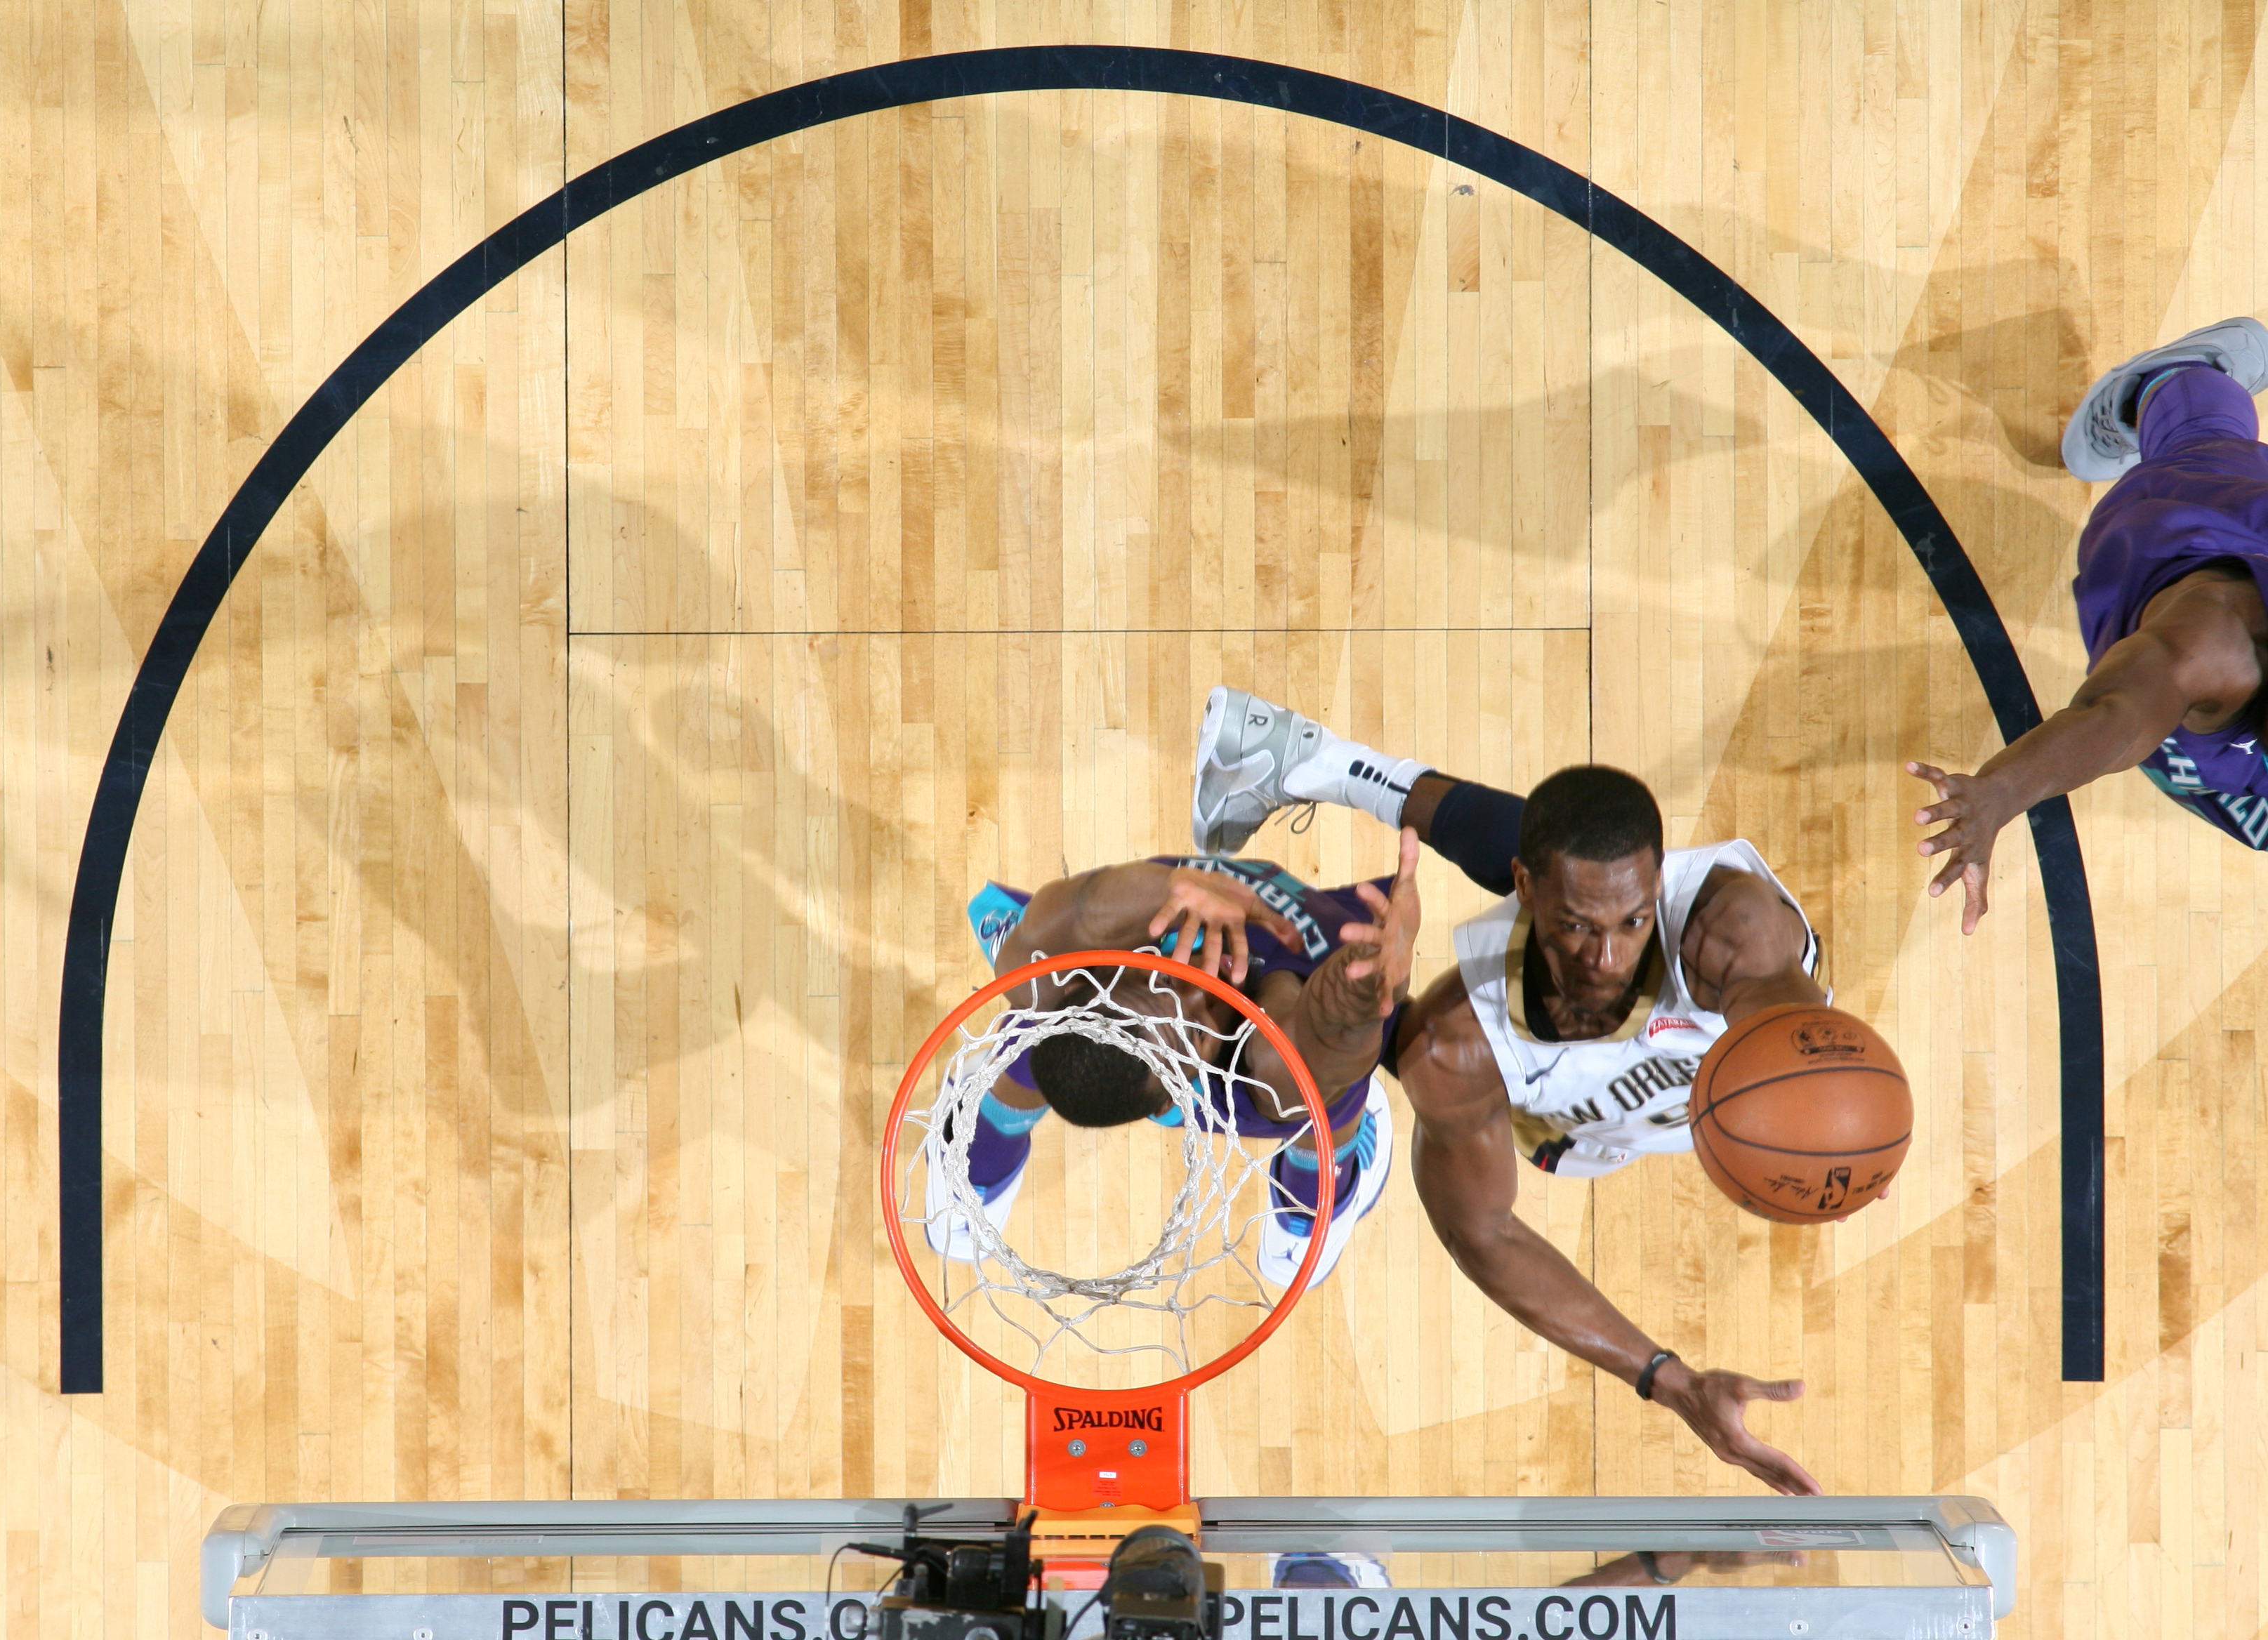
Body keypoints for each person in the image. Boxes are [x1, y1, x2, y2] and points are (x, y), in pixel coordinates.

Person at [1194, 687, 1834, 1495]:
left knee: (1574, 851)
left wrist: (1835, 1117)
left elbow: (1797, 1026)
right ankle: (1326, 1045)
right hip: (1556, 1111)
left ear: (1659, 888)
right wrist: (1669, 1380)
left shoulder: (1731, 932)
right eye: (1578, 927)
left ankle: (1308, 759)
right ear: (1525, 893)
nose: (1607, 957)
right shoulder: (1458, 1045)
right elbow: (1483, 1229)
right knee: (1374, 1045)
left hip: (1652, 1096)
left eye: (1633, 922)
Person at [928, 827, 1422, 1288]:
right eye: (1198, 1027)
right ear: (1177, 1095)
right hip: (1285, 1026)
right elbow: (1333, 1033)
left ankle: (980, 1134)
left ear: (1121, 972)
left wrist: (1170, 886)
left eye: (1166, 982)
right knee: (1316, 1096)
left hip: (1164, 954)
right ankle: (1308, 1205)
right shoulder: (1267, 1071)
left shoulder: (1098, 950)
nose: (1203, 988)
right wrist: (1376, 976)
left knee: (1048, 1002)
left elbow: (1080, 908)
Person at [1910, 317, 2268, 930]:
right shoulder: (2220, 645)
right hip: (2188, 529)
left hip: (2213, 748)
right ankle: (2174, 384)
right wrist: (2002, 792)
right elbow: (2115, 720)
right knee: (2204, 448)